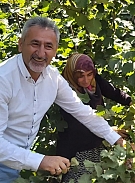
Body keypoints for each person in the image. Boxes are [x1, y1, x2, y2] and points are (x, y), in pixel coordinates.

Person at [0, 17, 125, 182]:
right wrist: (41, 160)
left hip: (19, 161)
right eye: (35, 44)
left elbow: (83, 112)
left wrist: (116, 139)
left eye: (48, 46)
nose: (41, 53)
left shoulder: (53, 78)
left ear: (56, 50)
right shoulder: (4, 79)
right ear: (20, 44)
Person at [56, 53, 132, 182]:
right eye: (80, 77)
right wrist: (109, 132)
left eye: (89, 75)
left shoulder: (94, 81)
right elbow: (79, 124)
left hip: (97, 142)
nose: (86, 80)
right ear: (72, 75)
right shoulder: (65, 91)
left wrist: (132, 103)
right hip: (77, 150)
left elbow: (113, 92)